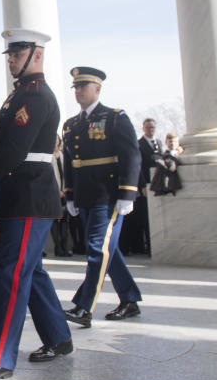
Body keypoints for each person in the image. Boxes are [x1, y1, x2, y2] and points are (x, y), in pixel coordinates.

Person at [0, 30, 72, 380]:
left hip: (28, 197)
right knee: (29, 271)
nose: (10, 58)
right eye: (9, 53)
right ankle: (58, 337)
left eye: (18, 52)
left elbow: (10, 153)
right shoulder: (19, 95)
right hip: (19, 196)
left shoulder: (35, 96)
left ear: (36, 55)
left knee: (11, 275)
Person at [62, 67, 144, 327]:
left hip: (108, 196)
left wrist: (127, 192)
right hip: (86, 195)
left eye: (82, 87)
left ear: (97, 89)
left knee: (98, 248)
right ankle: (129, 299)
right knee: (108, 250)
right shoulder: (72, 124)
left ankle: (84, 307)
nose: (78, 91)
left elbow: (131, 155)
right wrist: (70, 195)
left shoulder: (115, 117)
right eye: (75, 87)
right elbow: (70, 162)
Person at [121, 118, 162, 256]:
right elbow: (137, 167)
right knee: (144, 218)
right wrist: (142, 185)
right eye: (148, 127)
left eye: (152, 127)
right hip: (145, 186)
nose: (151, 130)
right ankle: (145, 247)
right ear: (143, 128)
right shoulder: (139, 144)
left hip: (158, 184)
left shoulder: (159, 143)